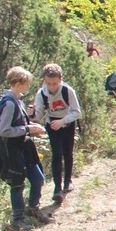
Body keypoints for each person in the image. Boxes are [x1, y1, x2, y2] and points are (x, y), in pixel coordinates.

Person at [0, 67, 51, 231]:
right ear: (18, 84)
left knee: (38, 178)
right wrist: (27, 129)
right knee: (17, 184)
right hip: (12, 150)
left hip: (25, 147)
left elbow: (19, 124)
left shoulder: (18, 101)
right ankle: (18, 218)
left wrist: (31, 125)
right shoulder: (9, 104)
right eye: (27, 84)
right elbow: (3, 131)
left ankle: (33, 208)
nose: (28, 86)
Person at [32, 63, 81, 204]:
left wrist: (63, 121)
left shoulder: (67, 91)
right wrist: (32, 114)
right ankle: (57, 188)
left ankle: (68, 181)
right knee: (57, 153)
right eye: (48, 83)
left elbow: (77, 112)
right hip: (52, 125)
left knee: (67, 152)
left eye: (54, 83)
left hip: (68, 122)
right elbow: (38, 114)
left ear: (61, 79)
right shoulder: (41, 94)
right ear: (44, 81)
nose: (52, 87)